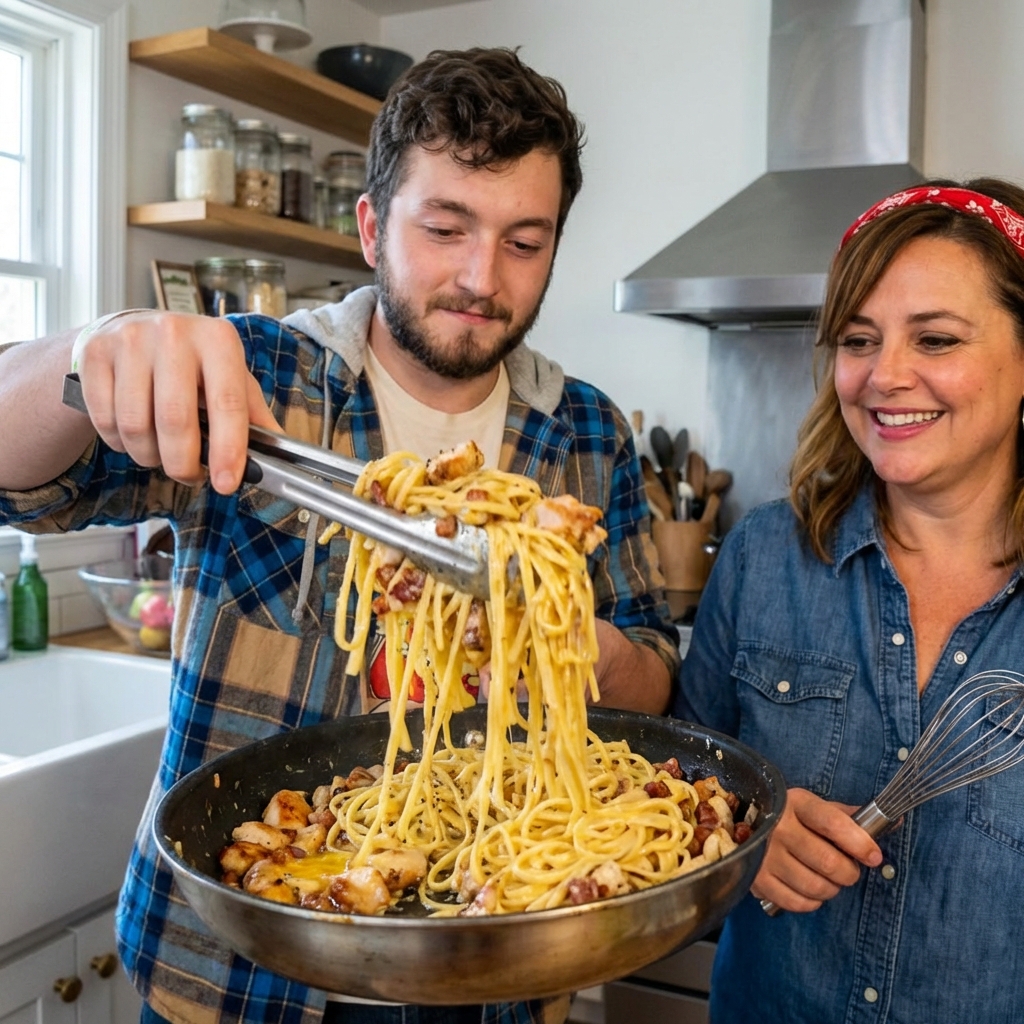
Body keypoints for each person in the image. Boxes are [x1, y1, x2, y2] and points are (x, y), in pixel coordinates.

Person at [0, 48, 678, 1024]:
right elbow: (25, 486)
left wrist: (578, 644)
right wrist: (89, 351)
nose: (482, 276)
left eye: (524, 242)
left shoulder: (586, 433)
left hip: (490, 952)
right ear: (371, 227)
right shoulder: (255, 382)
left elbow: (651, 670)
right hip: (242, 964)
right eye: (445, 228)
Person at [675, 177, 1024, 1023]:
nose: (885, 376)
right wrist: (738, 832)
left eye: (936, 339)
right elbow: (676, 771)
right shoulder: (765, 557)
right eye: (859, 339)